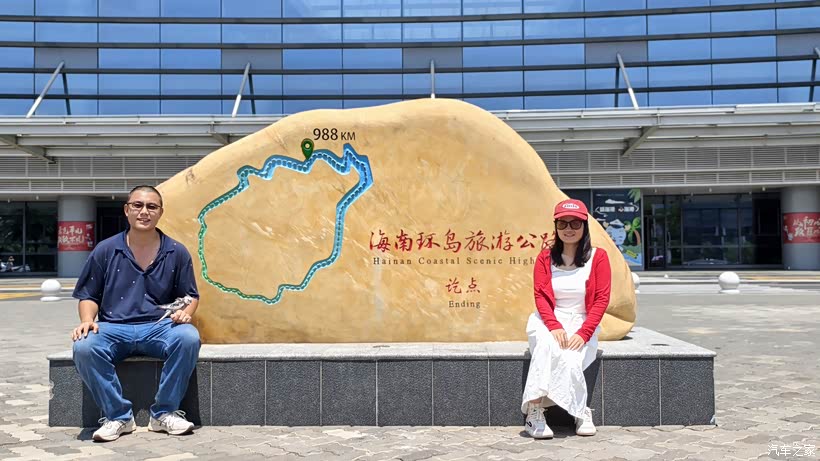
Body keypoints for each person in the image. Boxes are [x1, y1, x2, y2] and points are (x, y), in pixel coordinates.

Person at [71, 185, 201, 442]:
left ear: (160, 212)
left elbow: (190, 296)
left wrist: (185, 314)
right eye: (137, 205)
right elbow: (89, 295)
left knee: (188, 337)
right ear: (126, 210)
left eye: (152, 207)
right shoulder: (106, 250)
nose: (144, 212)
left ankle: (163, 413)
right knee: (84, 346)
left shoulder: (176, 251)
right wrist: (87, 320)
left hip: (159, 327)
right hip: (113, 327)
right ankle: (118, 417)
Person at [521, 199, 611, 439]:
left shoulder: (598, 257)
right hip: (548, 319)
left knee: (571, 360)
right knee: (546, 347)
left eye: (575, 223)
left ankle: (580, 411)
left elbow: (601, 299)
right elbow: (540, 296)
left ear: (584, 226)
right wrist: (553, 326)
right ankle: (534, 413)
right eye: (562, 223)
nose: (568, 228)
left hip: (583, 320)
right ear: (556, 226)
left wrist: (584, 332)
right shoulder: (545, 258)